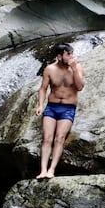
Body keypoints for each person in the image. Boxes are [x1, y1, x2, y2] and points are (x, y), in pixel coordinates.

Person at [35, 43, 84, 180]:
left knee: (60, 138)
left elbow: (80, 87)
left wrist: (74, 69)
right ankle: (43, 170)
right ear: (59, 56)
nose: (71, 57)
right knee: (47, 138)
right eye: (68, 54)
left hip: (68, 108)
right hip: (51, 107)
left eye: (72, 54)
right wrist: (40, 105)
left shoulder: (77, 67)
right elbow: (43, 88)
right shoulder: (50, 69)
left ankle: (52, 170)